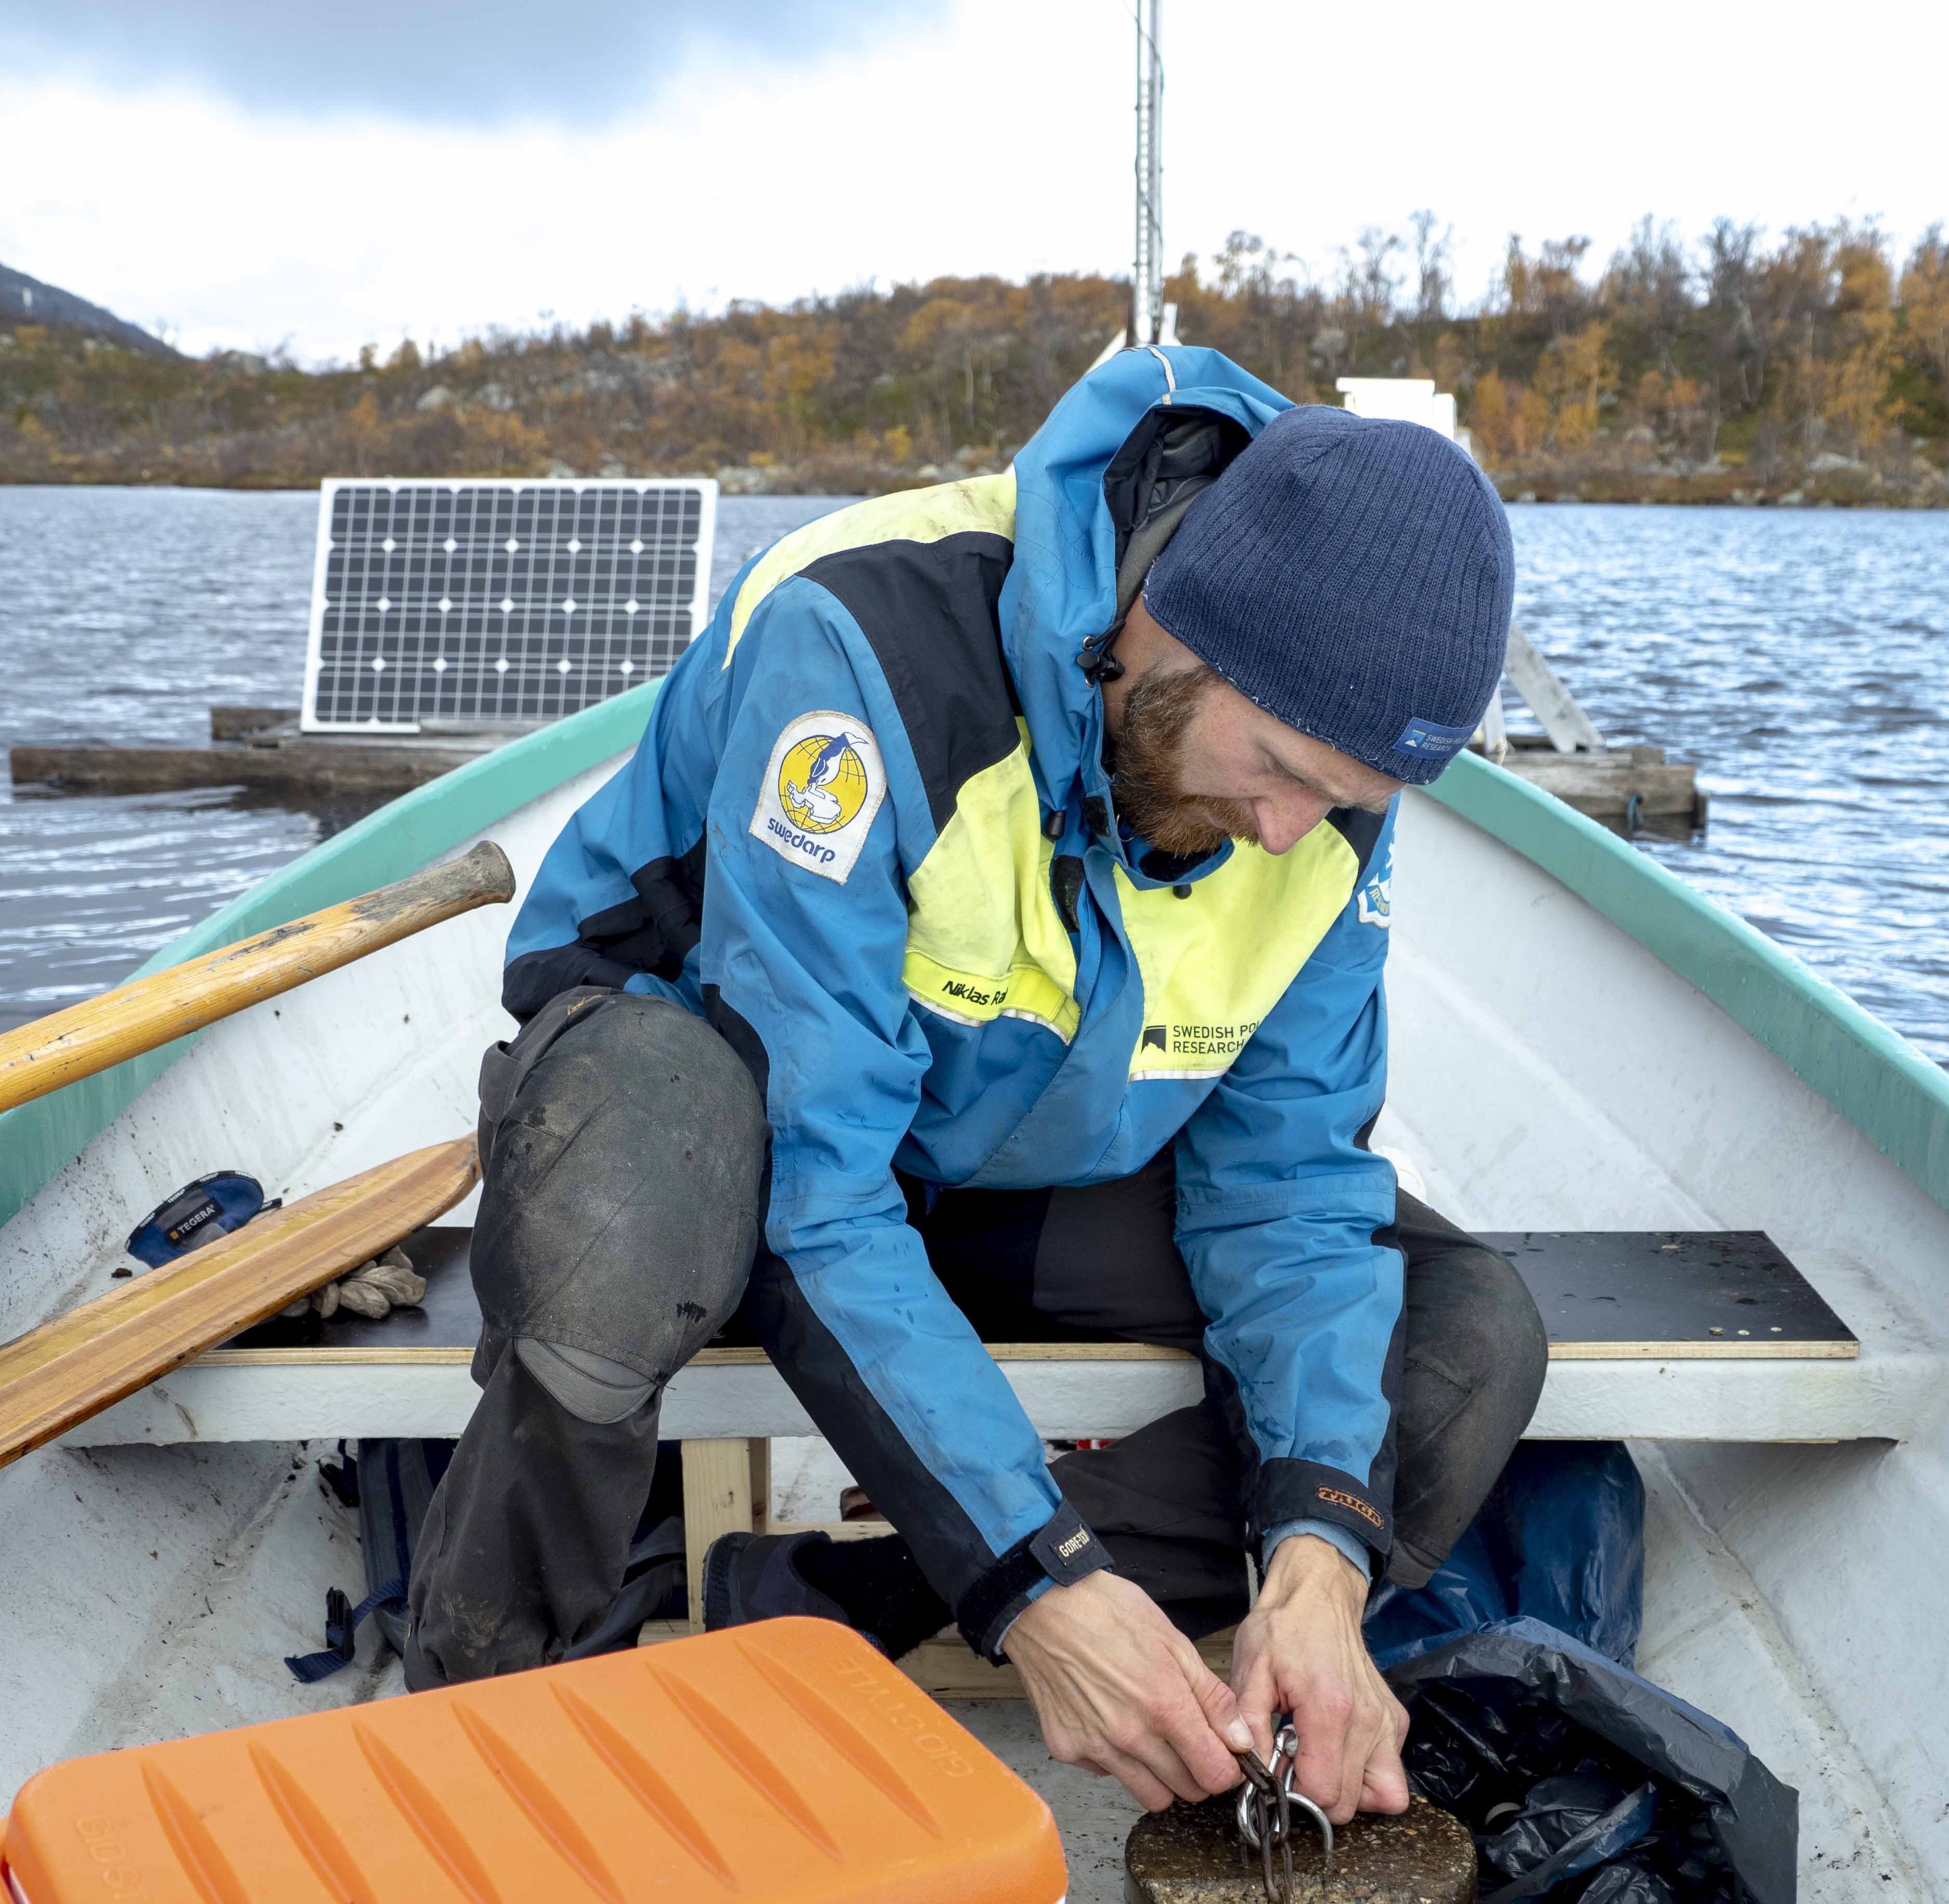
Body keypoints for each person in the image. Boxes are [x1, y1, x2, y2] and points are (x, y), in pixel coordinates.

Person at [405, 345, 1548, 1827]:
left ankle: (842, 1601)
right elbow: (816, 1177)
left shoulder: (1314, 810)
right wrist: (1038, 1577)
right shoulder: (864, 643)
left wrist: (1321, 1561)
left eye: (1343, 801)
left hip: (1006, 1161)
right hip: (723, 1144)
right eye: (1275, 766)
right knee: (632, 1188)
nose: (1287, 833)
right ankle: (483, 1733)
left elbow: (1287, 1191)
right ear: (1168, 626)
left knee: (1459, 1340)